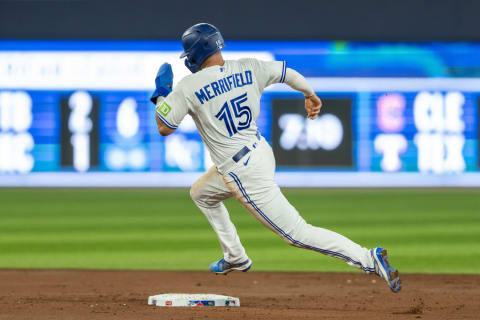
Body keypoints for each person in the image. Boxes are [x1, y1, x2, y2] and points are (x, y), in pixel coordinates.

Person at [151, 23, 401, 293]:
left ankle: (368, 258)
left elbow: (165, 127)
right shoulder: (248, 66)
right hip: (259, 151)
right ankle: (235, 256)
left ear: (195, 54)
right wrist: (310, 94)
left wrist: (161, 94)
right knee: (201, 193)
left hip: (241, 171)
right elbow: (287, 73)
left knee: (297, 233)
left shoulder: (188, 86)